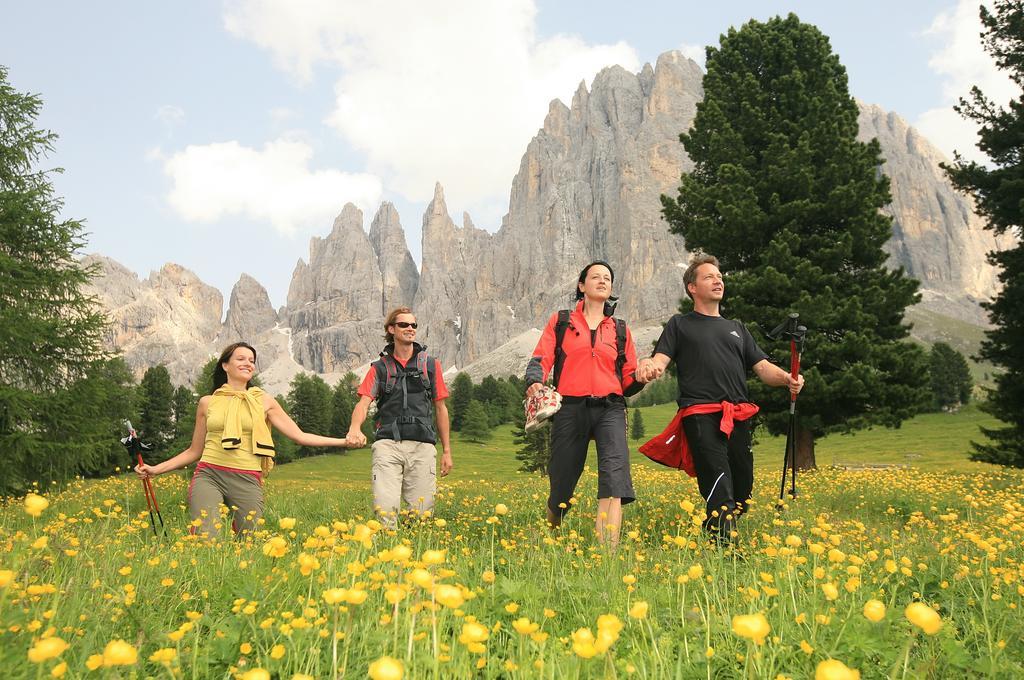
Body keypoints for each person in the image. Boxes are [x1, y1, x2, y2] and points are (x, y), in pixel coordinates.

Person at [637, 254, 804, 544]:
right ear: (692, 287)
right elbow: (660, 360)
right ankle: (728, 552)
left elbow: (763, 368)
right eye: (709, 277)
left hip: (738, 415)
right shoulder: (680, 325)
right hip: (700, 414)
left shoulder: (737, 328)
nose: (718, 280)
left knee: (743, 494)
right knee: (718, 481)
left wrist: (788, 379)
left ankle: (714, 531)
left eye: (720, 276)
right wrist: (650, 366)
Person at [135, 342, 351, 537]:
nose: (248, 363)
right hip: (209, 474)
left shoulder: (264, 401)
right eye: (241, 359)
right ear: (225, 365)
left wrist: (343, 441)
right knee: (206, 536)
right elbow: (194, 451)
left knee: (250, 541)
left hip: (247, 478)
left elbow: (300, 436)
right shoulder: (207, 403)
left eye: (252, 361)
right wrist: (156, 469)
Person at [524, 261, 646, 545]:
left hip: (611, 409)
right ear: (582, 286)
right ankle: (551, 532)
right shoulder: (562, 321)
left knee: (614, 479)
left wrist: (642, 377)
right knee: (562, 484)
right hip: (570, 408)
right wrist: (534, 380)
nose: (602, 281)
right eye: (595, 277)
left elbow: (628, 382)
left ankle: (607, 557)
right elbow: (541, 357)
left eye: (607, 278)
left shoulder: (620, 329)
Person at [347, 307, 453, 529]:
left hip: (423, 445)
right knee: (385, 510)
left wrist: (447, 452)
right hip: (388, 445)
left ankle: (415, 553)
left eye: (413, 325)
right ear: (391, 329)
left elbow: (441, 409)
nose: (410, 329)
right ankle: (387, 550)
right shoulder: (379, 368)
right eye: (404, 325)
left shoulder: (430, 365)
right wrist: (355, 428)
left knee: (422, 514)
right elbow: (364, 402)